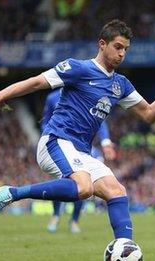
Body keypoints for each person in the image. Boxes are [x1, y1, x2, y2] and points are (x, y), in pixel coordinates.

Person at [0, 19, 155, 243]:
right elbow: (34, 83)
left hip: (82, 152)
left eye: (126, 49)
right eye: (118, 47)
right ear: (102, 44)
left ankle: (125, 249)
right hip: (56, 140)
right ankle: (12, 193)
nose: (122, 54)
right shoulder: (78, 68)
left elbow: (149, 114)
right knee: (84, 187)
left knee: (117, 191)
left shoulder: (121, 84)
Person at [41, 88, 116, 233]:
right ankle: (56, 215)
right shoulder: (52, 98)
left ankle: (74, 220)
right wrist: (48, 133)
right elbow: (45, 121)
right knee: (60, 181)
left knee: (83, 183)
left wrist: (106, 141)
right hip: (60, 144)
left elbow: (100, 120)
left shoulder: (87, 93)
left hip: (82, 147)